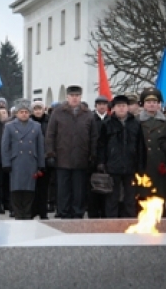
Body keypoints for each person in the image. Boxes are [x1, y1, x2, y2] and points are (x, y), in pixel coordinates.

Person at [46, 85, 98, 219]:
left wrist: (93, 155)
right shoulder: (58, 113)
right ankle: (63, 212)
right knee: (63, 189)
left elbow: (93, 137)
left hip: (81, 158)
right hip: (62, 158)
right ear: (67, 97)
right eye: (72, 96)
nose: (74, 98)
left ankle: (77, 212)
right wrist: (50, 153)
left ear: (80, 97)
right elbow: (50, 134)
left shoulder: (88, 114)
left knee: (79, 190)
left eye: (77, 96)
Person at [97, 95, 146, 218]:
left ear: (128, 108)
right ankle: (111, 222)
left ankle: (129, 220)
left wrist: (140, 166)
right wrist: (101, 162)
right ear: (113, 108)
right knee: (112, 197)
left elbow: (141, 146)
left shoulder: (135, 124)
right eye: (119, 106)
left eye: (124, 106)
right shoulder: (107, 124)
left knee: (130, 197)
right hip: (112, 167)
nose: (121, 109)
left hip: (131, 166)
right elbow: (101, 145)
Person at [2, 99, 45, 219]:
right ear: (16, 113)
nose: (24, 114)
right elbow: (5, 147)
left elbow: (40, 146)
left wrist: (41, 164)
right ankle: (18, 214)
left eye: (26, 111)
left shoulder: (36, 126)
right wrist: (6, 163)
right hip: (16, 163)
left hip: (31, 162)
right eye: (21, 112)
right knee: (16, 190)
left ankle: (27, 214)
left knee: (29, 190)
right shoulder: (9, 126)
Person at [137, 88, 166, 216]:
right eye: (148, 102)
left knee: (160, 195)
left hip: (160, 166)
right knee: (142, 196)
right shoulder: (136, 121)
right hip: (142, 166)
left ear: (159, 104)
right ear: (143, 104)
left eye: (154, 102)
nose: (151, 104)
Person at [87, 96, 109, 219]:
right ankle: (93, 215)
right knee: (92, 190)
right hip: (92, 159)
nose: (102, 106)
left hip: (106, 159)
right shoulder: (90, 119)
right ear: (95, 106)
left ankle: (105, 214)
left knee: (106, 189)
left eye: (104, 104)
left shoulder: (110, 120)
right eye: (99, 104)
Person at [30, 100, 50, 219]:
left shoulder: (49, 122)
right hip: (32, 158)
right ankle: (33, 210)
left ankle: (43, 211)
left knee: (44, 187)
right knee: (32, 187)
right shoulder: (29, 122)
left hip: (45, 158)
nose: (38, 111)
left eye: (40, 109)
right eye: (35, 109)